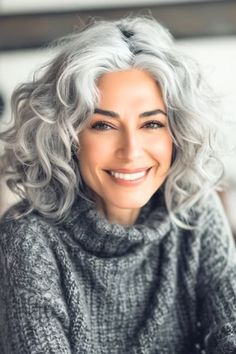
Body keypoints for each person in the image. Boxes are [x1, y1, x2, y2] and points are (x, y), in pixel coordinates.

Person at [0, 16, 235, 354]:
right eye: (103, 125)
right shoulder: (28, 239)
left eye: (152, 123)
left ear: (178, 134)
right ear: (68, 136)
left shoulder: (195, 210)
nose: (131, 151)